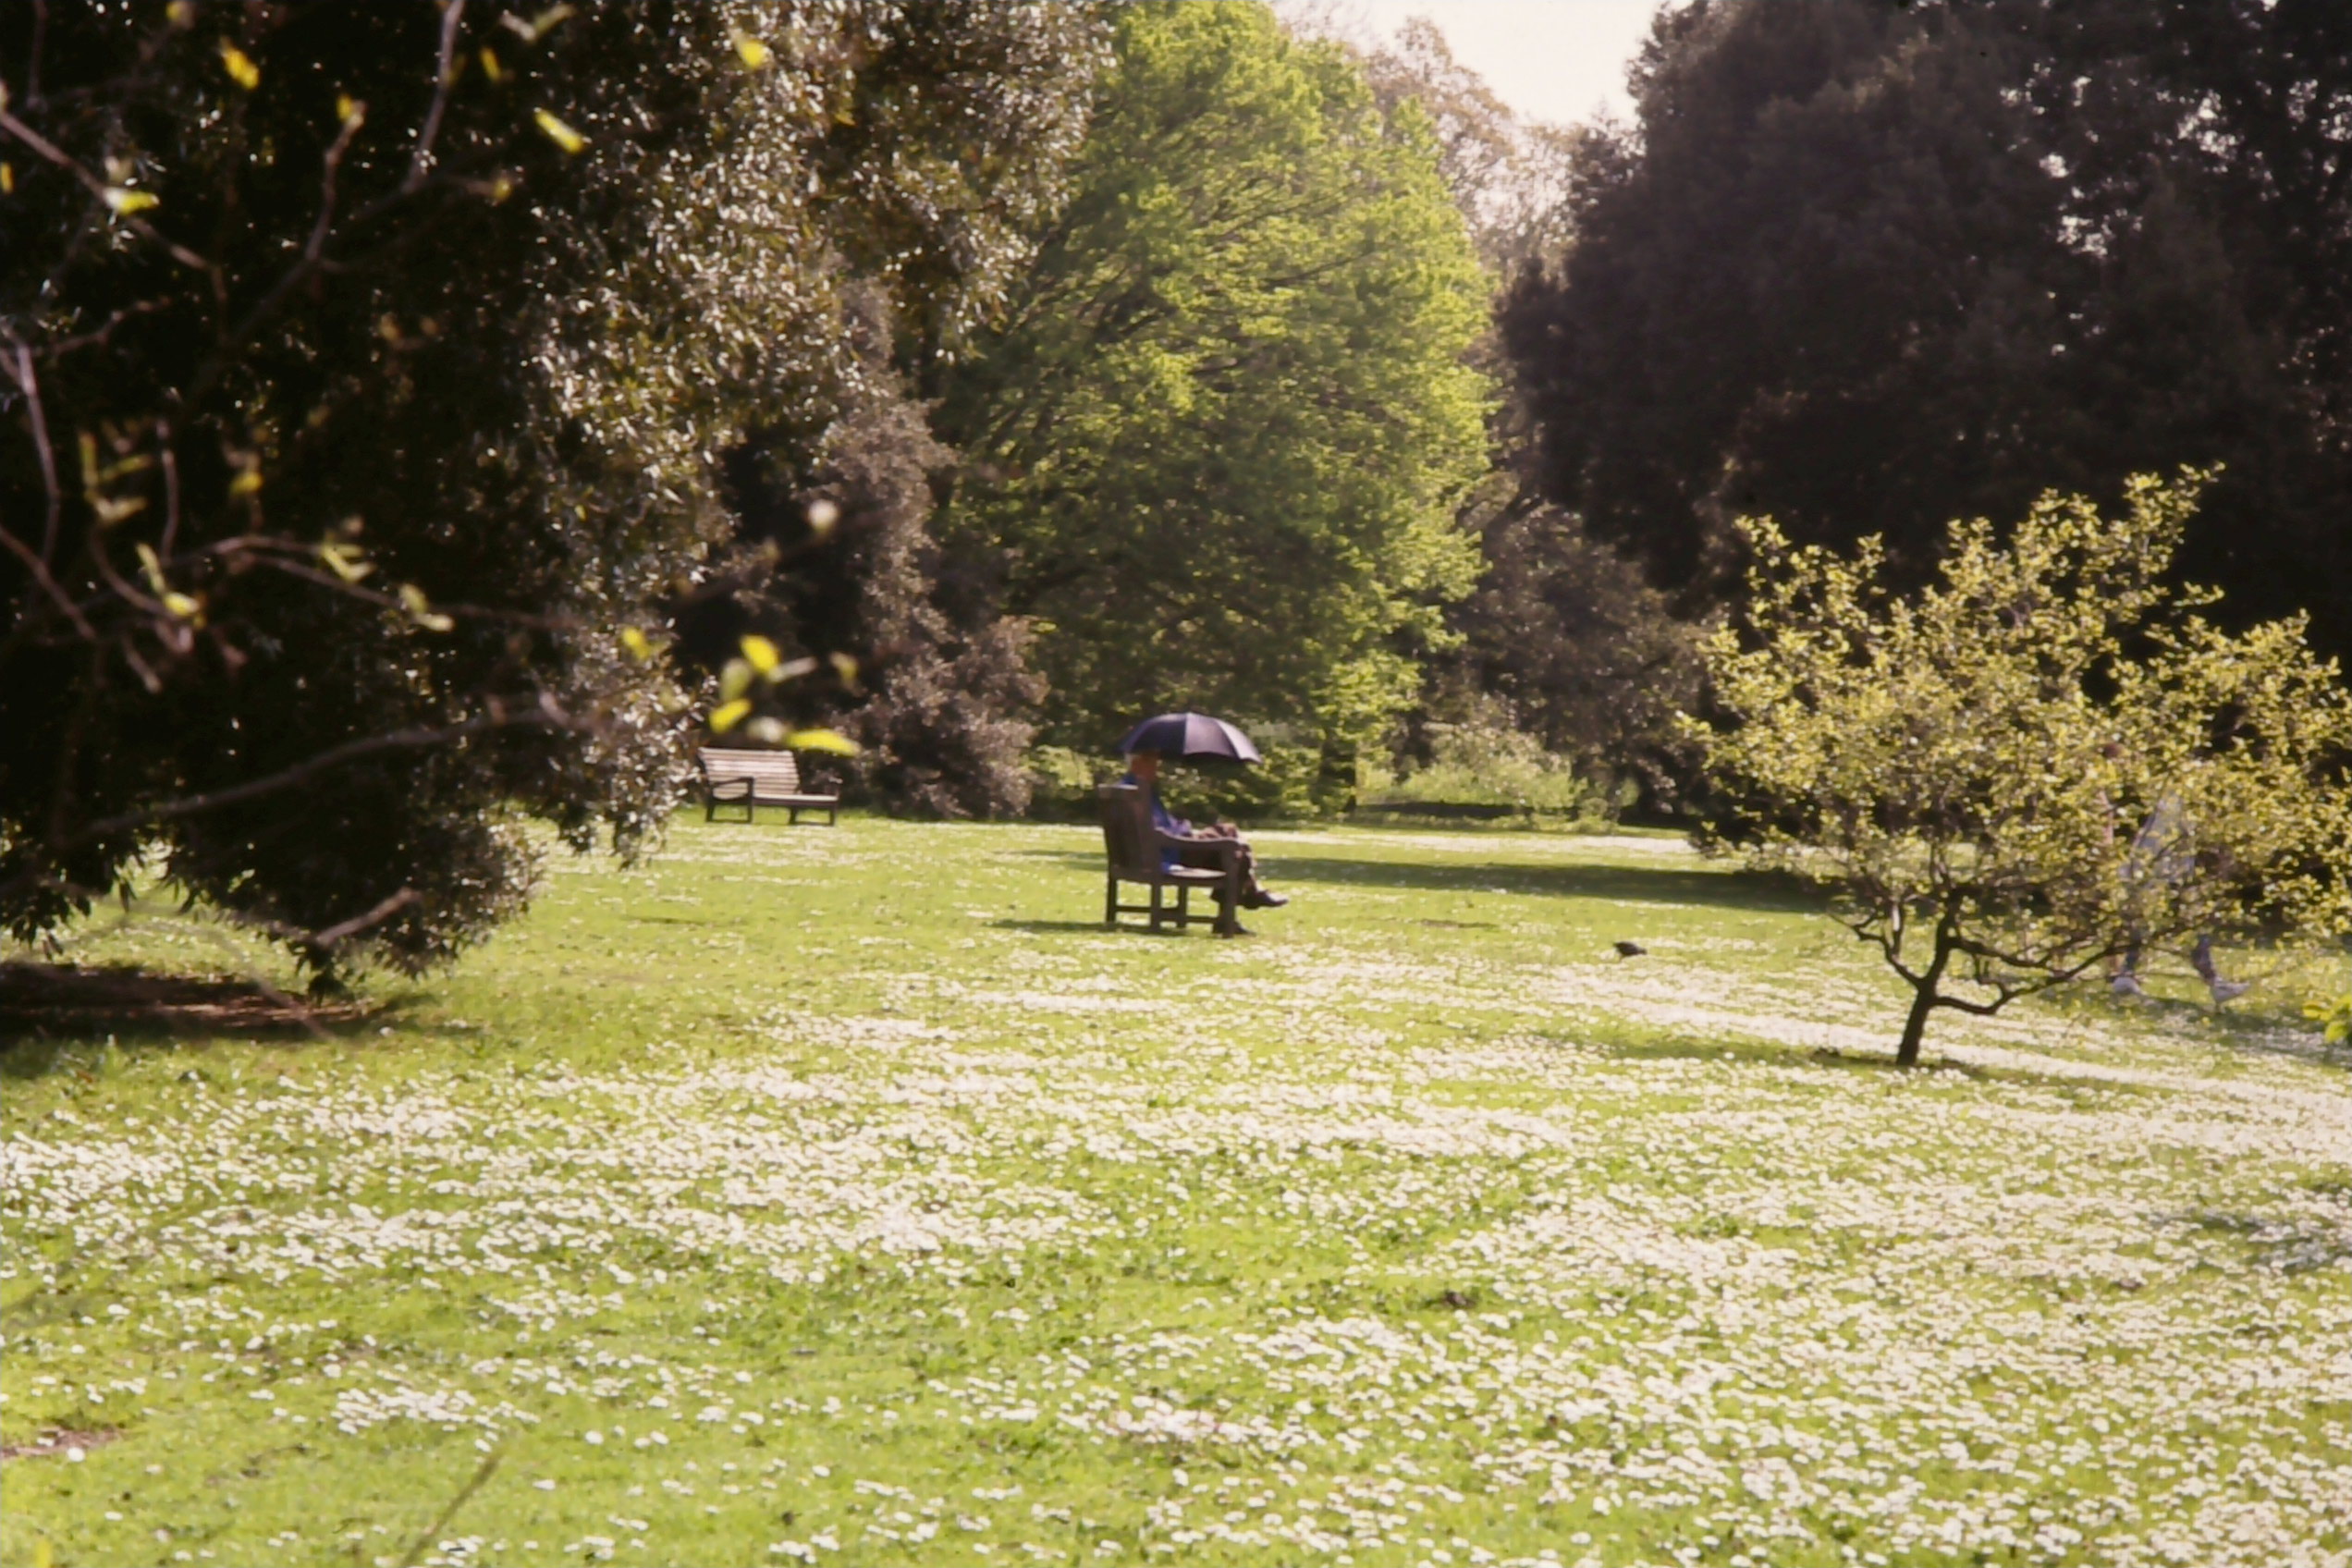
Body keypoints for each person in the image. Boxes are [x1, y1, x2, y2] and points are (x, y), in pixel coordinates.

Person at [1119, 749, 1288, 919]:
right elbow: (1156, 832)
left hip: (1163, 850)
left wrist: (1181, 826)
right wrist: (1181, 831)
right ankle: (1245, 896)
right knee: (1231, 839)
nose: (1156, 768)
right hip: (1171, 853)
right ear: (1136, 763)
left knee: (1233, 849)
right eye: (1151, 762)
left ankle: (1245, 896)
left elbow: (1156, 827)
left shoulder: (1132, 790)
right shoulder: (1137, 793)